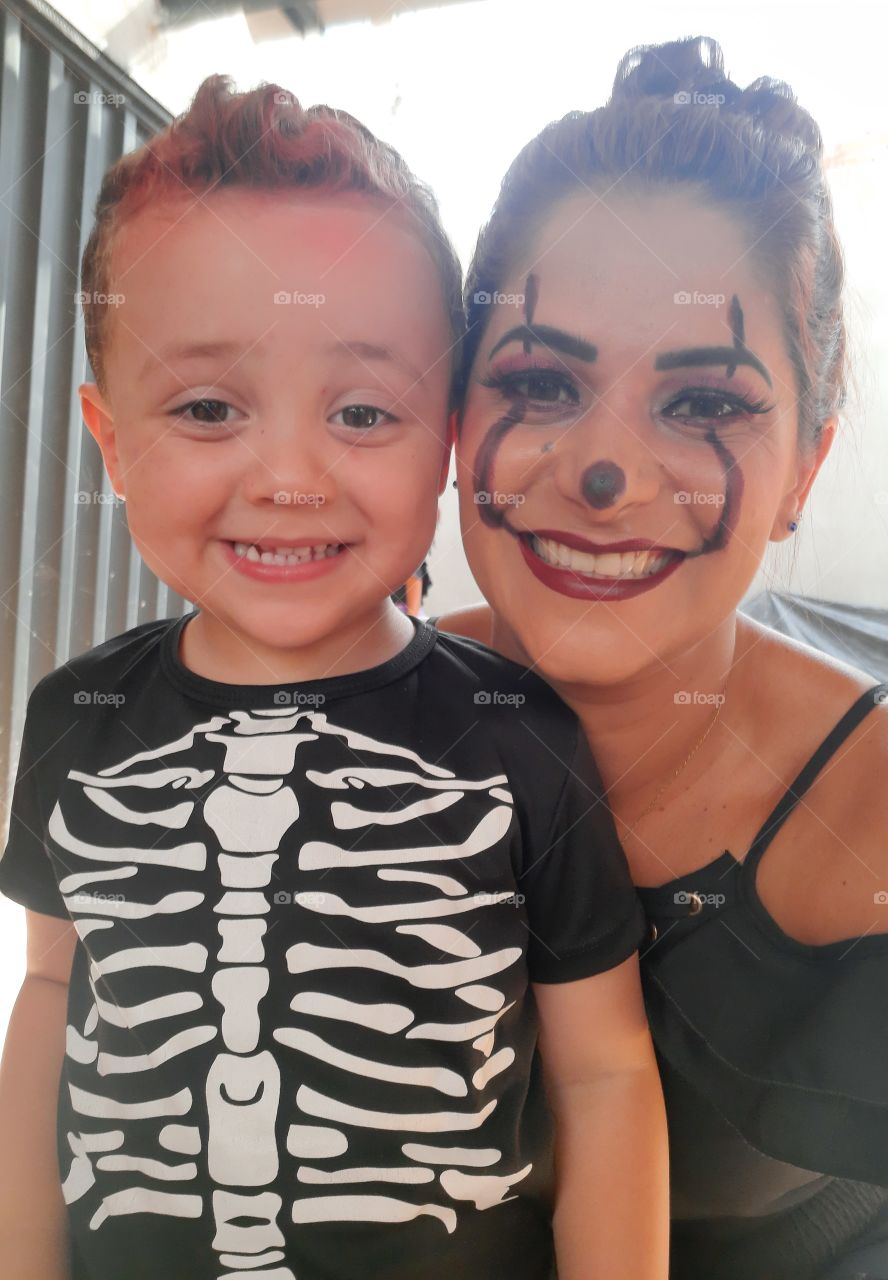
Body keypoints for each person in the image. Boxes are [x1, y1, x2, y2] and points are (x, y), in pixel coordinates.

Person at [0, 77, 669, 1280]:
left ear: (451, 439)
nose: (292, 476)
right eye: (208, 406)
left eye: (365, 410)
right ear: (109, 439)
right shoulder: (78, 717)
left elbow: (607, 1068)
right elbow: (53, 989)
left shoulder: (519, 734)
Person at [435, 35, 888, 1280]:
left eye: (705, 402)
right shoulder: (360, 712)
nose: (602, 473)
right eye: (541, 379)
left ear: (805, 472)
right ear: (456, 418)